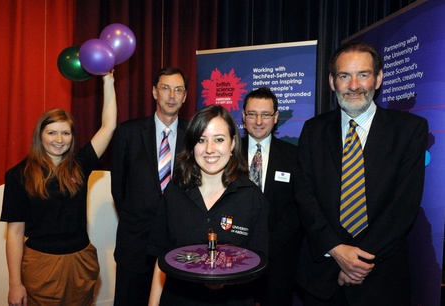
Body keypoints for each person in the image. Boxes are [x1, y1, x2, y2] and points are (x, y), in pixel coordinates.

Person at [293, 41, 429, 305]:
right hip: (321, 279)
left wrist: (356, 263)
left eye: (363, 74)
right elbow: (304, 195)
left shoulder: (409, 130)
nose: (353, 85)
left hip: (382, 278)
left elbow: (404, 205)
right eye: (344, 76)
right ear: (332, 82)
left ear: (378, 78)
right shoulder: (313, 130)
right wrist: (337, 251)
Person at [0, 71, 116, 306]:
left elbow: (109, 126)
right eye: (51, 132)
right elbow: (14, 233)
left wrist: (108, 81)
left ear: (73, 137)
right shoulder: (18, 175)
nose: (59, 139)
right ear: (39, 135)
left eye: (66, 132)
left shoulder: (80, 165)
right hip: (41, 265)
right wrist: (14, 283)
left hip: (81, 261)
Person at [147, 105, 269, 306]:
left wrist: (224, 279)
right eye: (201, 140)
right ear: (192, 145)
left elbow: (258, 267)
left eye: (219, 139)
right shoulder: (174, 193)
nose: (210, 149)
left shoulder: (252, 198)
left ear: (232, 144)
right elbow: (161, 260)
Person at [111, 67, 189, 305]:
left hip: (179, 242)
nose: (172, 96)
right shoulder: (128, 133)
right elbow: (119, 188)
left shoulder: (195, 135)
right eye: (166, 88)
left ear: (185, 96)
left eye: (178, 90)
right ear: (155, 92)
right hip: (135, 243)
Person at [241, 87, 302, 306]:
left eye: (265, 114)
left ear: (275, 117)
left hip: (279, 259)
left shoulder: (294, 156)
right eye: (252, 114)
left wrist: (268, 244)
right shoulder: (227, 154)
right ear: (243, 116)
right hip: (234, 256)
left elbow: (298, 206)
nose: (258, 121)